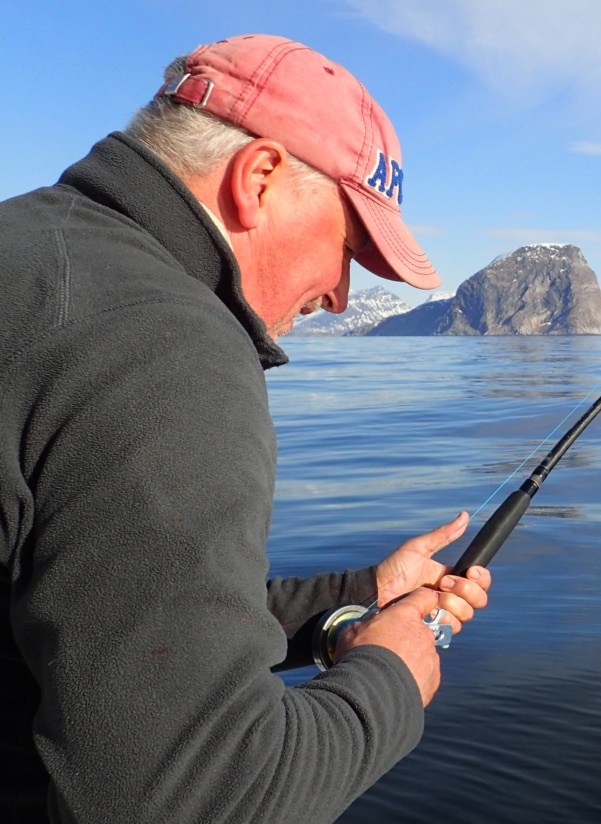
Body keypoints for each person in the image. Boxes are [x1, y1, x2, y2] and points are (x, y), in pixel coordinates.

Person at [0, 34, 491, 822]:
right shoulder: (168, 346)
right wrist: (391, 676)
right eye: (350, 246)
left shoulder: (32, 252)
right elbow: (200, 796)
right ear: (258, 178)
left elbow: (96, 606)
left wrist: (362, 597)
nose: (340, 294)